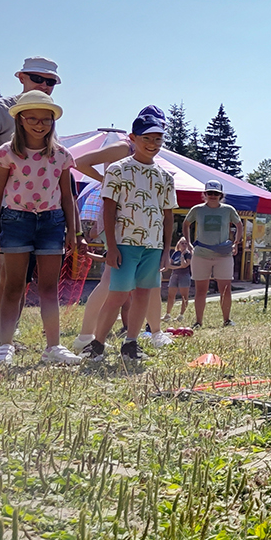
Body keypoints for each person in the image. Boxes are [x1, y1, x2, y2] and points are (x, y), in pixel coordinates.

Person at [0, 57, 62, 355]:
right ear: (20, 77)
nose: (44, 85)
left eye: (50, 82)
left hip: (28, 213)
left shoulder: (46, 118)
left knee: (14, 278)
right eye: (37, 78)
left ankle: (1, 340)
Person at [0, 91, 81, 366]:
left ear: (53, 122)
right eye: (33, 119)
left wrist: (72, 232)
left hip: (51, 222)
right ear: (20, 121)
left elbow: (66, 196)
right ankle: (4, 344)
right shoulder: (6, 153)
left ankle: (53, 346)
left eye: (46, 120)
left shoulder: (62, 155)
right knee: (14, 285)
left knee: (50, 288)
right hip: (16, 220)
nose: (39, 125)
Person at [81, 107, 177, 361]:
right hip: (125, 243)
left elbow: (168, 215)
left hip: (153, 245)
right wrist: (111, 247)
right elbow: (109, 210)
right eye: (146, 138)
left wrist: (166, 251)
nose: (152, 144)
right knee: (118, 294)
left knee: (144, 293)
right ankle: (97, 343)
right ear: (133, 139)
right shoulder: (118, 169)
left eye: (158, 139)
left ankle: (131, 343)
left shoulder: (165, 176)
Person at [183, 180, 243, 328]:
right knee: (200, 290)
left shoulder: (228, 210)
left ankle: (226, 320)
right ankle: (198, 321)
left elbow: (239, 224)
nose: (213, 196)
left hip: (223, 254)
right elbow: (186, 223)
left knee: (225, 289)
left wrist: (236, 242)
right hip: (201, 253)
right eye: (209, 193)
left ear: (221, 195)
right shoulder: (197, 209)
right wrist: (189, 243)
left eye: (216, 193)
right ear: (205, 194)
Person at [164, 237, 192, 321]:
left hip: (184, 275)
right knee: (170, 295)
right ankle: (168, 314)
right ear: (178, 244)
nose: (183, 245)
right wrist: (178, 266)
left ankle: (181, 315)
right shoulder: (175, 253)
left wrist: (182, 256)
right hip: (174, 275)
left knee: (184, 296)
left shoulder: (188, 254)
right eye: (182, 243)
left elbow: (185, 265)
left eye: (185, 243)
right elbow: (169, 265)